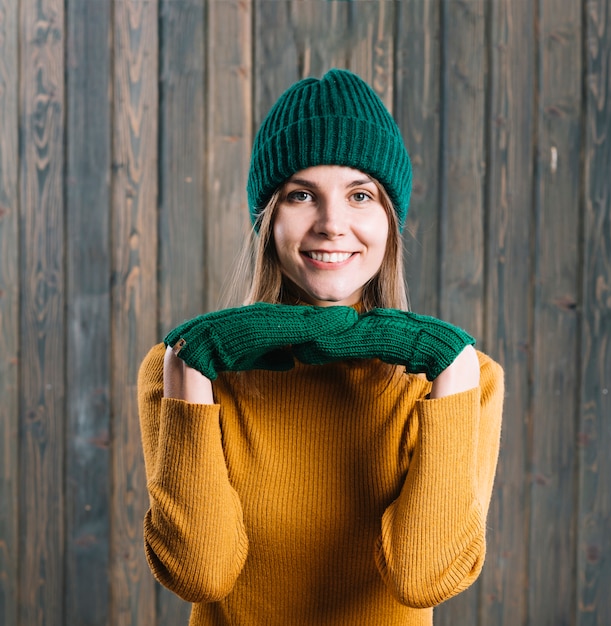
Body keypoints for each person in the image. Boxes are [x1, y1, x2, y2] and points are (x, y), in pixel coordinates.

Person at [138, 68, 504, 626]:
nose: (333, 224)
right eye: (301, 195)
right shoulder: (180, 371)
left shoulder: (466, 377)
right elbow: (199, 572)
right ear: (267, 218)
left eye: (360, 194)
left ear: (389, 221)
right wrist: (189, 368)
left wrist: (450, 369)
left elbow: (423, 577)